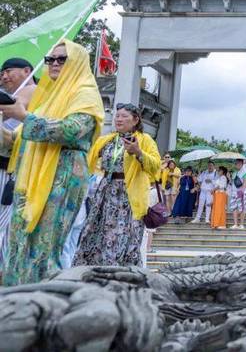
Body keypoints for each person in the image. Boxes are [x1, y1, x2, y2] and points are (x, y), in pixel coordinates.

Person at [0, 40, 104, 285]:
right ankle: (16, 301)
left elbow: (71, 130)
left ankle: (44, 306)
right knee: (20, 243)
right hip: (30, 178)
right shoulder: (46, 99)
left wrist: (24, 116)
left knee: (44, 246)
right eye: (50, 59)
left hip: (63, 175)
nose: (54, 63)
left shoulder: (85, 93)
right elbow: (14, 142)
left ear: (77, 62)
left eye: (61, 59)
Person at [73, 102, 160, 267]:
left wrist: (138, 152)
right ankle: (95, 267)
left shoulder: (145, 140)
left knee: (123, 234)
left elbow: (156, 166)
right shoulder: (107, 140)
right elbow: (88, 158)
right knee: (98, 230)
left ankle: (121, 270)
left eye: (124, 116)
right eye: (117, 116)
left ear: (135, 120)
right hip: (106, 191)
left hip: (128, 194)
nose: (118, 119)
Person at [0, 57, 37, 267]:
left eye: (8, 71)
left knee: (7, 229)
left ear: (27, 71)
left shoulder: (36, 93)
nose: (4, 76)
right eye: (2, 73)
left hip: (16, 172)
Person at [230, 159, 246, 229]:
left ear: (242, 164)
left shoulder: (245, 172)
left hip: (241, 192)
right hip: (234, 192)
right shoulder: (235, 172)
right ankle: (235, 224)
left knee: (242, 208)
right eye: (236, 163)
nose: (236, 165)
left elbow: (245, 183)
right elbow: (232, 182)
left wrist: (241, 192)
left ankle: (241, 224)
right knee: (234, 207)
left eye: (238, 163)